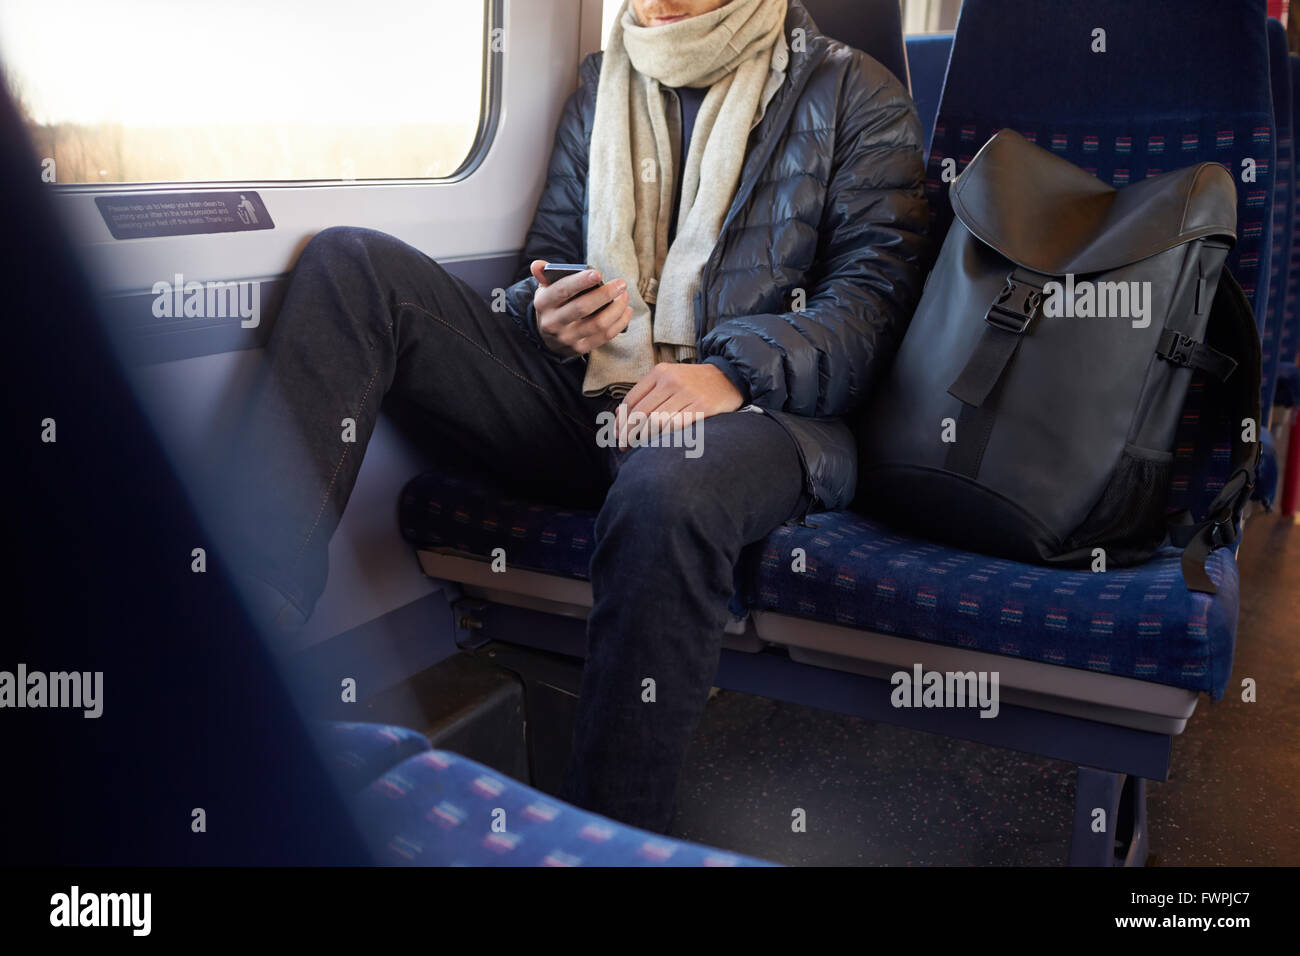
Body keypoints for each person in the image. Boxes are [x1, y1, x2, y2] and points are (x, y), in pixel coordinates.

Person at [225, 0, 928, 833]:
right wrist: (546, 317)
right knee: (349, 263)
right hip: (593, 400)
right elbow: (546, 261)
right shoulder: (602, 83)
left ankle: (605, 837)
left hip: (766, 415)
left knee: (667, 488)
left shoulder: (854, 90)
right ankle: (233, 673)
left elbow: (873, 306)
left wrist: (727, 373)